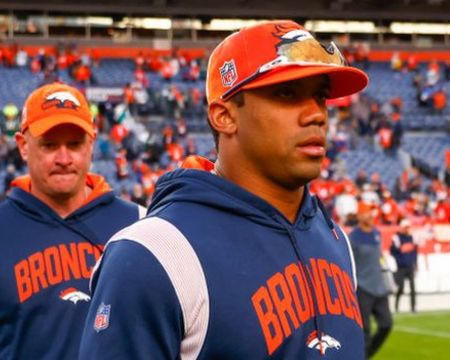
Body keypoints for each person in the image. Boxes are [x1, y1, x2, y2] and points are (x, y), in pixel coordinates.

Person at [79, 20, 368, 359]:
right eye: (287, 94)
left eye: (319, 96)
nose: (317, 115)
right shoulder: (152, 254)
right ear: (224, 116)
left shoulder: (335, 239)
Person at [0, 83, 146, 359]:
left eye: (75, 144)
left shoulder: (140, 226)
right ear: (23, 146)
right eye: (49, 145)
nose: (64, 158)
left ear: (92, 144)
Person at [350, 204, 393, 359]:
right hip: (363, 289)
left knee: (386, 325)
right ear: (360, 216)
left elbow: (380, 257)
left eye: (371, 212)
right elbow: (349, 263)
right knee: (364, 332)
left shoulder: (376, 233)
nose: (371, 215)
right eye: (367, 212)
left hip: (380, 287)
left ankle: (367, 355)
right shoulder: (353, 237)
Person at [390, 218, 418, 313]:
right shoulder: (397, 238)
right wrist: (399, 261)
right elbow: (393, 252)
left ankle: (413, 307)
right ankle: (396, 305)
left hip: (410, 266)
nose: (407, 229)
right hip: (401, 267)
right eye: (406, 227)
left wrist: (415, 263)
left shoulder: (412, 237)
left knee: (413, 288)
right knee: (400, 288)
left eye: (408, 227)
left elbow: (414, 252)